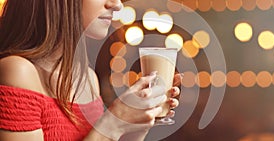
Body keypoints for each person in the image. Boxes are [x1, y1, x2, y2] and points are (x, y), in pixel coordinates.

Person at [0, 0, 181, 141]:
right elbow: (106, 132)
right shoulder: (17, 71)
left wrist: (136, 123)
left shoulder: (88, 78)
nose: (117, 5)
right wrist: (112, 124)